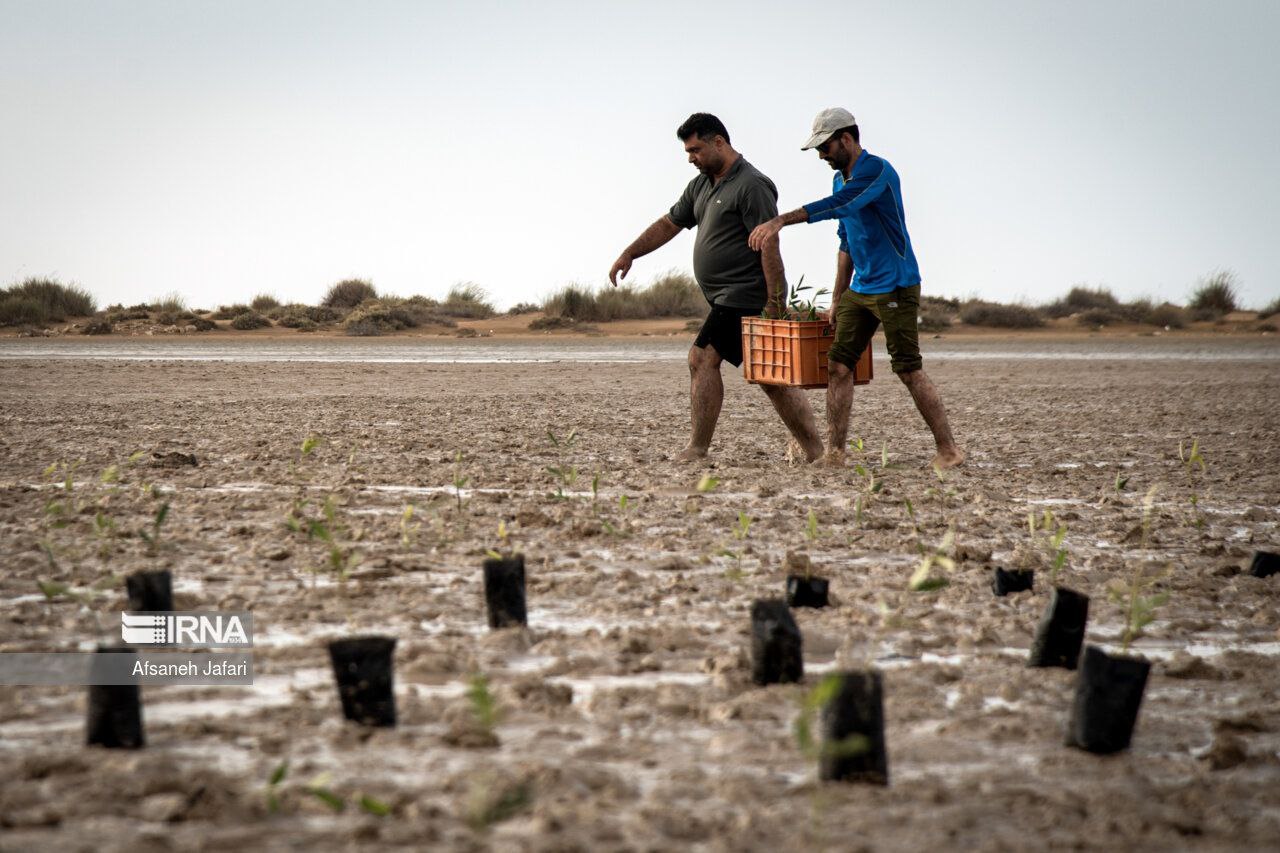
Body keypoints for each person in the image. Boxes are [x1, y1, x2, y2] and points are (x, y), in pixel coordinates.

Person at [748, 108, 964, 470]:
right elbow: (846, 239)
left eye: (825, 147)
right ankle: (835, 453)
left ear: (846, 139)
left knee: (908, 369)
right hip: (859, 290)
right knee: (838, 365)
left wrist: (781, 220)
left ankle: (949, 450)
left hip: (896, 286)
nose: (821, 155)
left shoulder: (876, 171)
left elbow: (841, 206)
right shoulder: (840, 180)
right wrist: (837, 297)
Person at [609, 113, 824, 463]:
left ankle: (697, 448)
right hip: (724, 297)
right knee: (770, 378)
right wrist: (630, 252)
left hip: (744, 294)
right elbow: (670, 223)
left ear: (719, 142)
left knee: (701, 358)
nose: (691, 157)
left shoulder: (752, 184)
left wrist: (774, 301)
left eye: (695, 149)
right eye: (688, 152)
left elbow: (770, 243)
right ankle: (816, 451)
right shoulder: (701, 184)